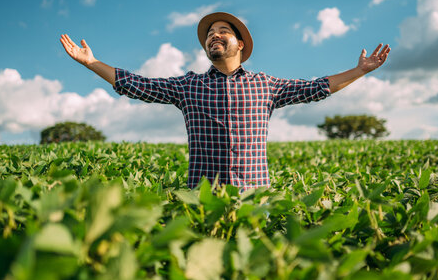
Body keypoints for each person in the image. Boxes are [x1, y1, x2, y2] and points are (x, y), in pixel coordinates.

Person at [60, 12, 390, 190]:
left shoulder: (266, 86)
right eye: (209, 34)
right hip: (204, 199)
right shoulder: (189, 86)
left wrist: (359, 71)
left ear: (240, 44)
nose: (213, 36)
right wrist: (92, 63)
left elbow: (316, 88)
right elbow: (136, 85)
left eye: (222, 31)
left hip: (255, 197)